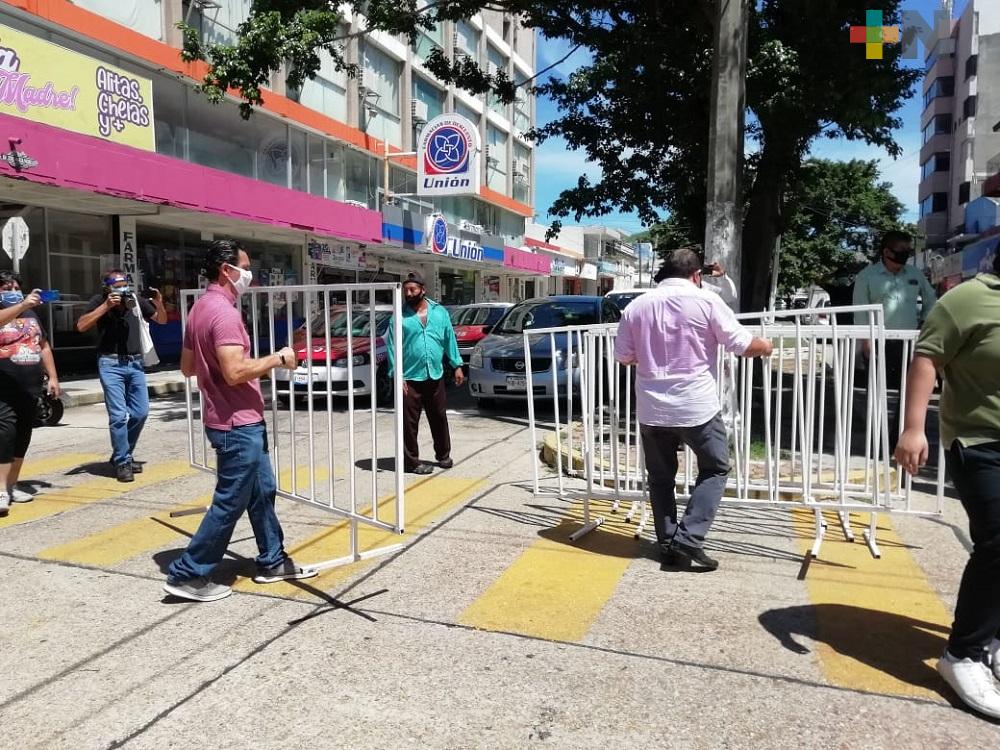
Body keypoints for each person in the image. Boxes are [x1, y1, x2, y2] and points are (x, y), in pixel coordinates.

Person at [164, 239, 315, 603]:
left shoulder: (199, 309)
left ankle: (272, 560)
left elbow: (186, 368)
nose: (249, 274)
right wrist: (278, 358)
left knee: (262, 492)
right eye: (245, 267)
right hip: (237, 425)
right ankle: (188, 573)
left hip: (233, 420)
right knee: (230, 501)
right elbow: (234, 372)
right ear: (226, 270)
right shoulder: (224, 313)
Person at [615, 248, 773, 570]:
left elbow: (624, 357)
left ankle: (669, 544)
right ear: (697, 275)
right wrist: (766, 345)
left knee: (660, 478)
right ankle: (688, 538)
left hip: (652, 408)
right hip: (696, 407)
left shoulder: (636, 307)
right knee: (715, 468)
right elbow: (741, 344)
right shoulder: (707, 301)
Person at [894, 254, 1000, 720]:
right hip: (979, 441)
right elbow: (928, 358)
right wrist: (913, 428)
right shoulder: (968, 300)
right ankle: (963, 654)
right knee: (998, 541)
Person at [75, 269, 167, 482]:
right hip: (110, 363)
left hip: (135, 364)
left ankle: (121, 454)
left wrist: (159, 303)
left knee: (141, 413)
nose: (121, 288)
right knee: (118, 416)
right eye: (116, 285)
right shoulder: (100, 300)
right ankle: (123, 461)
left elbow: (161, 320)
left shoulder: (135, 299)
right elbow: (80, 325)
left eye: (124, 284)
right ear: (107, 287)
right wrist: (106, 306)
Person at [853, 230, 938, 446]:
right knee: (876, 393)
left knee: (908, 392)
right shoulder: (867, 277)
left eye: (906, 252)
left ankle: (898, 439)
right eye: (899, 252)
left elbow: (931, 299)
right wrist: (866, 340)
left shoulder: (914, 274)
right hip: (878, 341)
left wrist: (924, 323)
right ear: (886, 252)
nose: (903, 257)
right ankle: (876, 441)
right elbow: (861, 312)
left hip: (908, 342)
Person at [385, 271, 464, 475]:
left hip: (435, 374)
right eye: (406, 290)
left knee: (438, 416)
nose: (409, 294)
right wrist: (397, 374)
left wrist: (456, 365)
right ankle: (411, 462)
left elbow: (449, 339)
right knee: (408, 423)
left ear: (423, 290)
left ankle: (443, 455)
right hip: (409, 378)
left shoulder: (439, 312)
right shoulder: (399, 316)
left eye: (413, 289)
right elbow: (392, 346)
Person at [0, 272, 60, 515]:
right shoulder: (14, 310)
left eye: (15, 286)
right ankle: (1, 490)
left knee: (22, 436)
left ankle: (12, 485)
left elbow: (43, 346)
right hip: (3, 387)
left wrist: (53, 377)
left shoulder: (32, 314)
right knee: (5, 433)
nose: (13, 290)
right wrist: (22, 304)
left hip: (29, 387)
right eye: (6, 287)